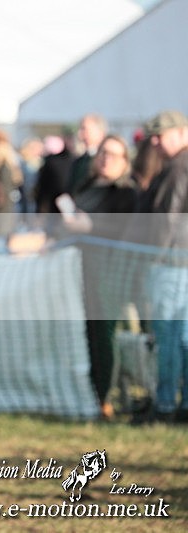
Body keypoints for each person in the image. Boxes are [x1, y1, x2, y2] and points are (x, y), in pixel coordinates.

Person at [60, 135, 138, 420]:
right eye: (104, 153)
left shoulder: (126, 192)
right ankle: (88, 391)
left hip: (108, 272)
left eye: (114, 155)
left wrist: (89, 226)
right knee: (83, 333)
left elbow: (124, 229)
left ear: (125, 161)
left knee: (104, 334)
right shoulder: (86, 185)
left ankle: (105, 396)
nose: (107, 159)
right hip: (77, 269)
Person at [136, 110, 188, 423]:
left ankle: (167, 403)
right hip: (178, 262)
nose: (155, 142)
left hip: (172, 264)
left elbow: (166, 221)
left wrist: (151, 257)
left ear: (182, 133)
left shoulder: (178, 168)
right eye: (153, 136)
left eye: (161, 135)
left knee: (169, 335)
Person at [0, 128, 23, 238]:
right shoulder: (10, 163)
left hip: (1, 212)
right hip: (7, 210)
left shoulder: (2, 167)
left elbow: (1, 195)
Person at [68, 113, 108, 195]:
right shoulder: (79, 162)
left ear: (100, 132)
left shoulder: (108, 161)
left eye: (84, 129)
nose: (80, 134)